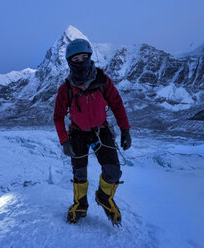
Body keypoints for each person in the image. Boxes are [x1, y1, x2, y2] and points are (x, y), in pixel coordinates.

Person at [53, 38, 132, 225]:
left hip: (100, 132)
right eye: (76, 59)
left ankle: (104, 197)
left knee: (113, 171)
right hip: (78, 134)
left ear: (90, 57)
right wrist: (64, 141)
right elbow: (58, 117)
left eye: (84, 57)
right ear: (70, 62)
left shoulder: (102, 81)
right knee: (79, 174)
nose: (80, 62)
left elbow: (117, 104)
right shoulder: (66, 89)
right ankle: (80, 205)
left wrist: (125, 129)